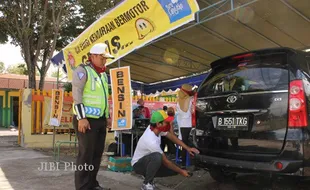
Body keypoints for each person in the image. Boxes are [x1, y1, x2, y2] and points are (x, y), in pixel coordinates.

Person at [72, 43, 114, 190]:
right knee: (86, 155)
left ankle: (92, 184)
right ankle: (83, 187)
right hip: (86, 120)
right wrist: (81, 118)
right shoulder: (82, 70)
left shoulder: (103, 74)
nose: (105, 61)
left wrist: (107, 116)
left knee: (96, 155)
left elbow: (104, 97)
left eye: (106, 58)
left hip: (100, 121)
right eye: (102, 58)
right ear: (93, 56)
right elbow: (77, 94)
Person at [131, 110, 199, 190]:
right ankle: (147, 184)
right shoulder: (151, 140)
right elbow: (166, 162)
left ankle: (150, 180)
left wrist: (188, 148)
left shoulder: (155, 129)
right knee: (157, 157)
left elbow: (171, 136)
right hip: (138, 165)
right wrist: (181, 172)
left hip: (148, 161)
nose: (169, 124)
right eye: (166, 122)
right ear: (158, 124)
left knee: (175, 169)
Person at [176, 84, 196, 168]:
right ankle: (194, 162)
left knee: (184, 145)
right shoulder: (191, 99)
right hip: (190, 124)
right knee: (193, 143)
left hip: (182, 125)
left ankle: (183, 164)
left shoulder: (178, 101)